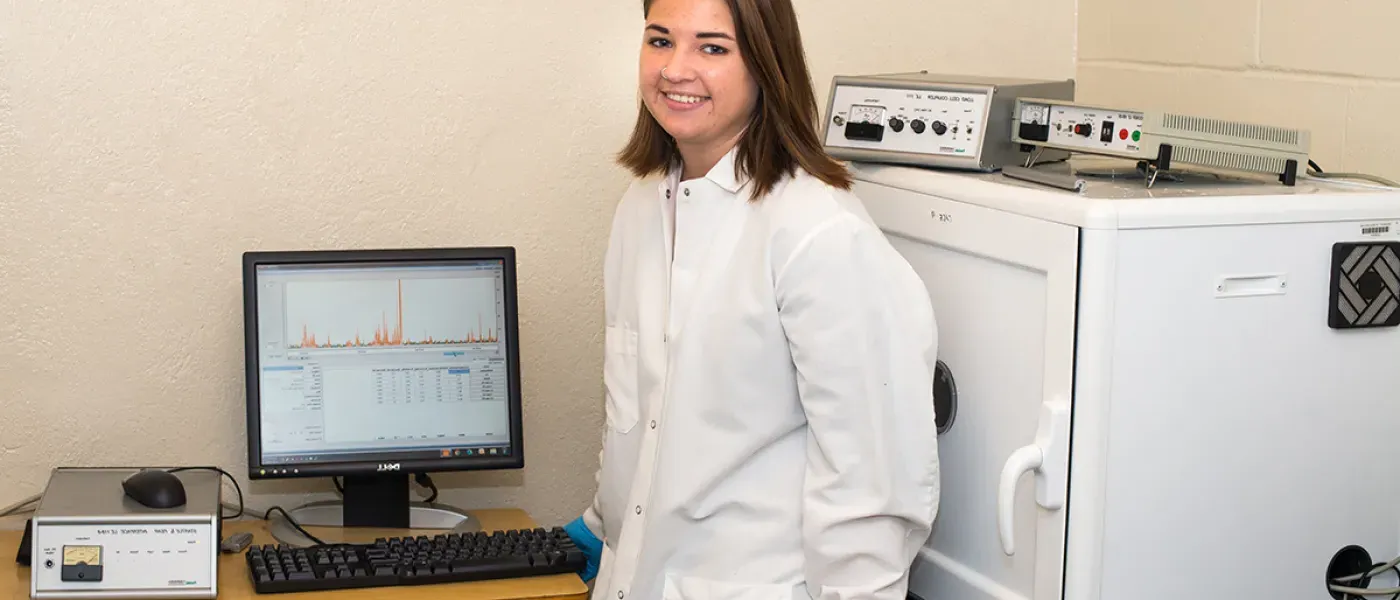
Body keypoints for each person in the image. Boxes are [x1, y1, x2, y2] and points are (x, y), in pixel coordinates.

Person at [562, 0, 941, 597]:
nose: (675, 69)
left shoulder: (819, 233)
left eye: (712, 48)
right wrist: (600, 525)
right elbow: (644, 415)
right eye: (660, 41)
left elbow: (873, 490)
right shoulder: (640, 209)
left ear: (766, 65)